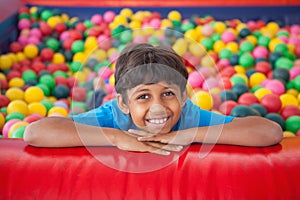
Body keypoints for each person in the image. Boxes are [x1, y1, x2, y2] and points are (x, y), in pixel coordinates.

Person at [24, 43, 283, 156]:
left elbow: (269, 131)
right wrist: (117, 138)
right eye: (143, 96)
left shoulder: (190, 116)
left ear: (183, 97)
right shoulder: (112, 117)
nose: (157, 106)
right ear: (124, 103)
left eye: (168, 94)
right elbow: (35, 133)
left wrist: (190, 134)